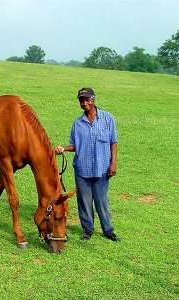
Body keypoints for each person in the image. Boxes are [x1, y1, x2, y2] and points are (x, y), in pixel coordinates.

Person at [54, 87, 120, 242]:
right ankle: (87, 230)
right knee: (84, 201)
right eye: (81, 100)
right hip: (82, 169)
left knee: (101, 200)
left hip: (102, 168)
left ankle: (108, 230)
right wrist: (64, 148)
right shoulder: (77, 124)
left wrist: (113, 164)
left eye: (87, 99)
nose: (84, 103)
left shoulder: (107, 119)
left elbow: (113, 142)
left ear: (93, 99)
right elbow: (75, 146)